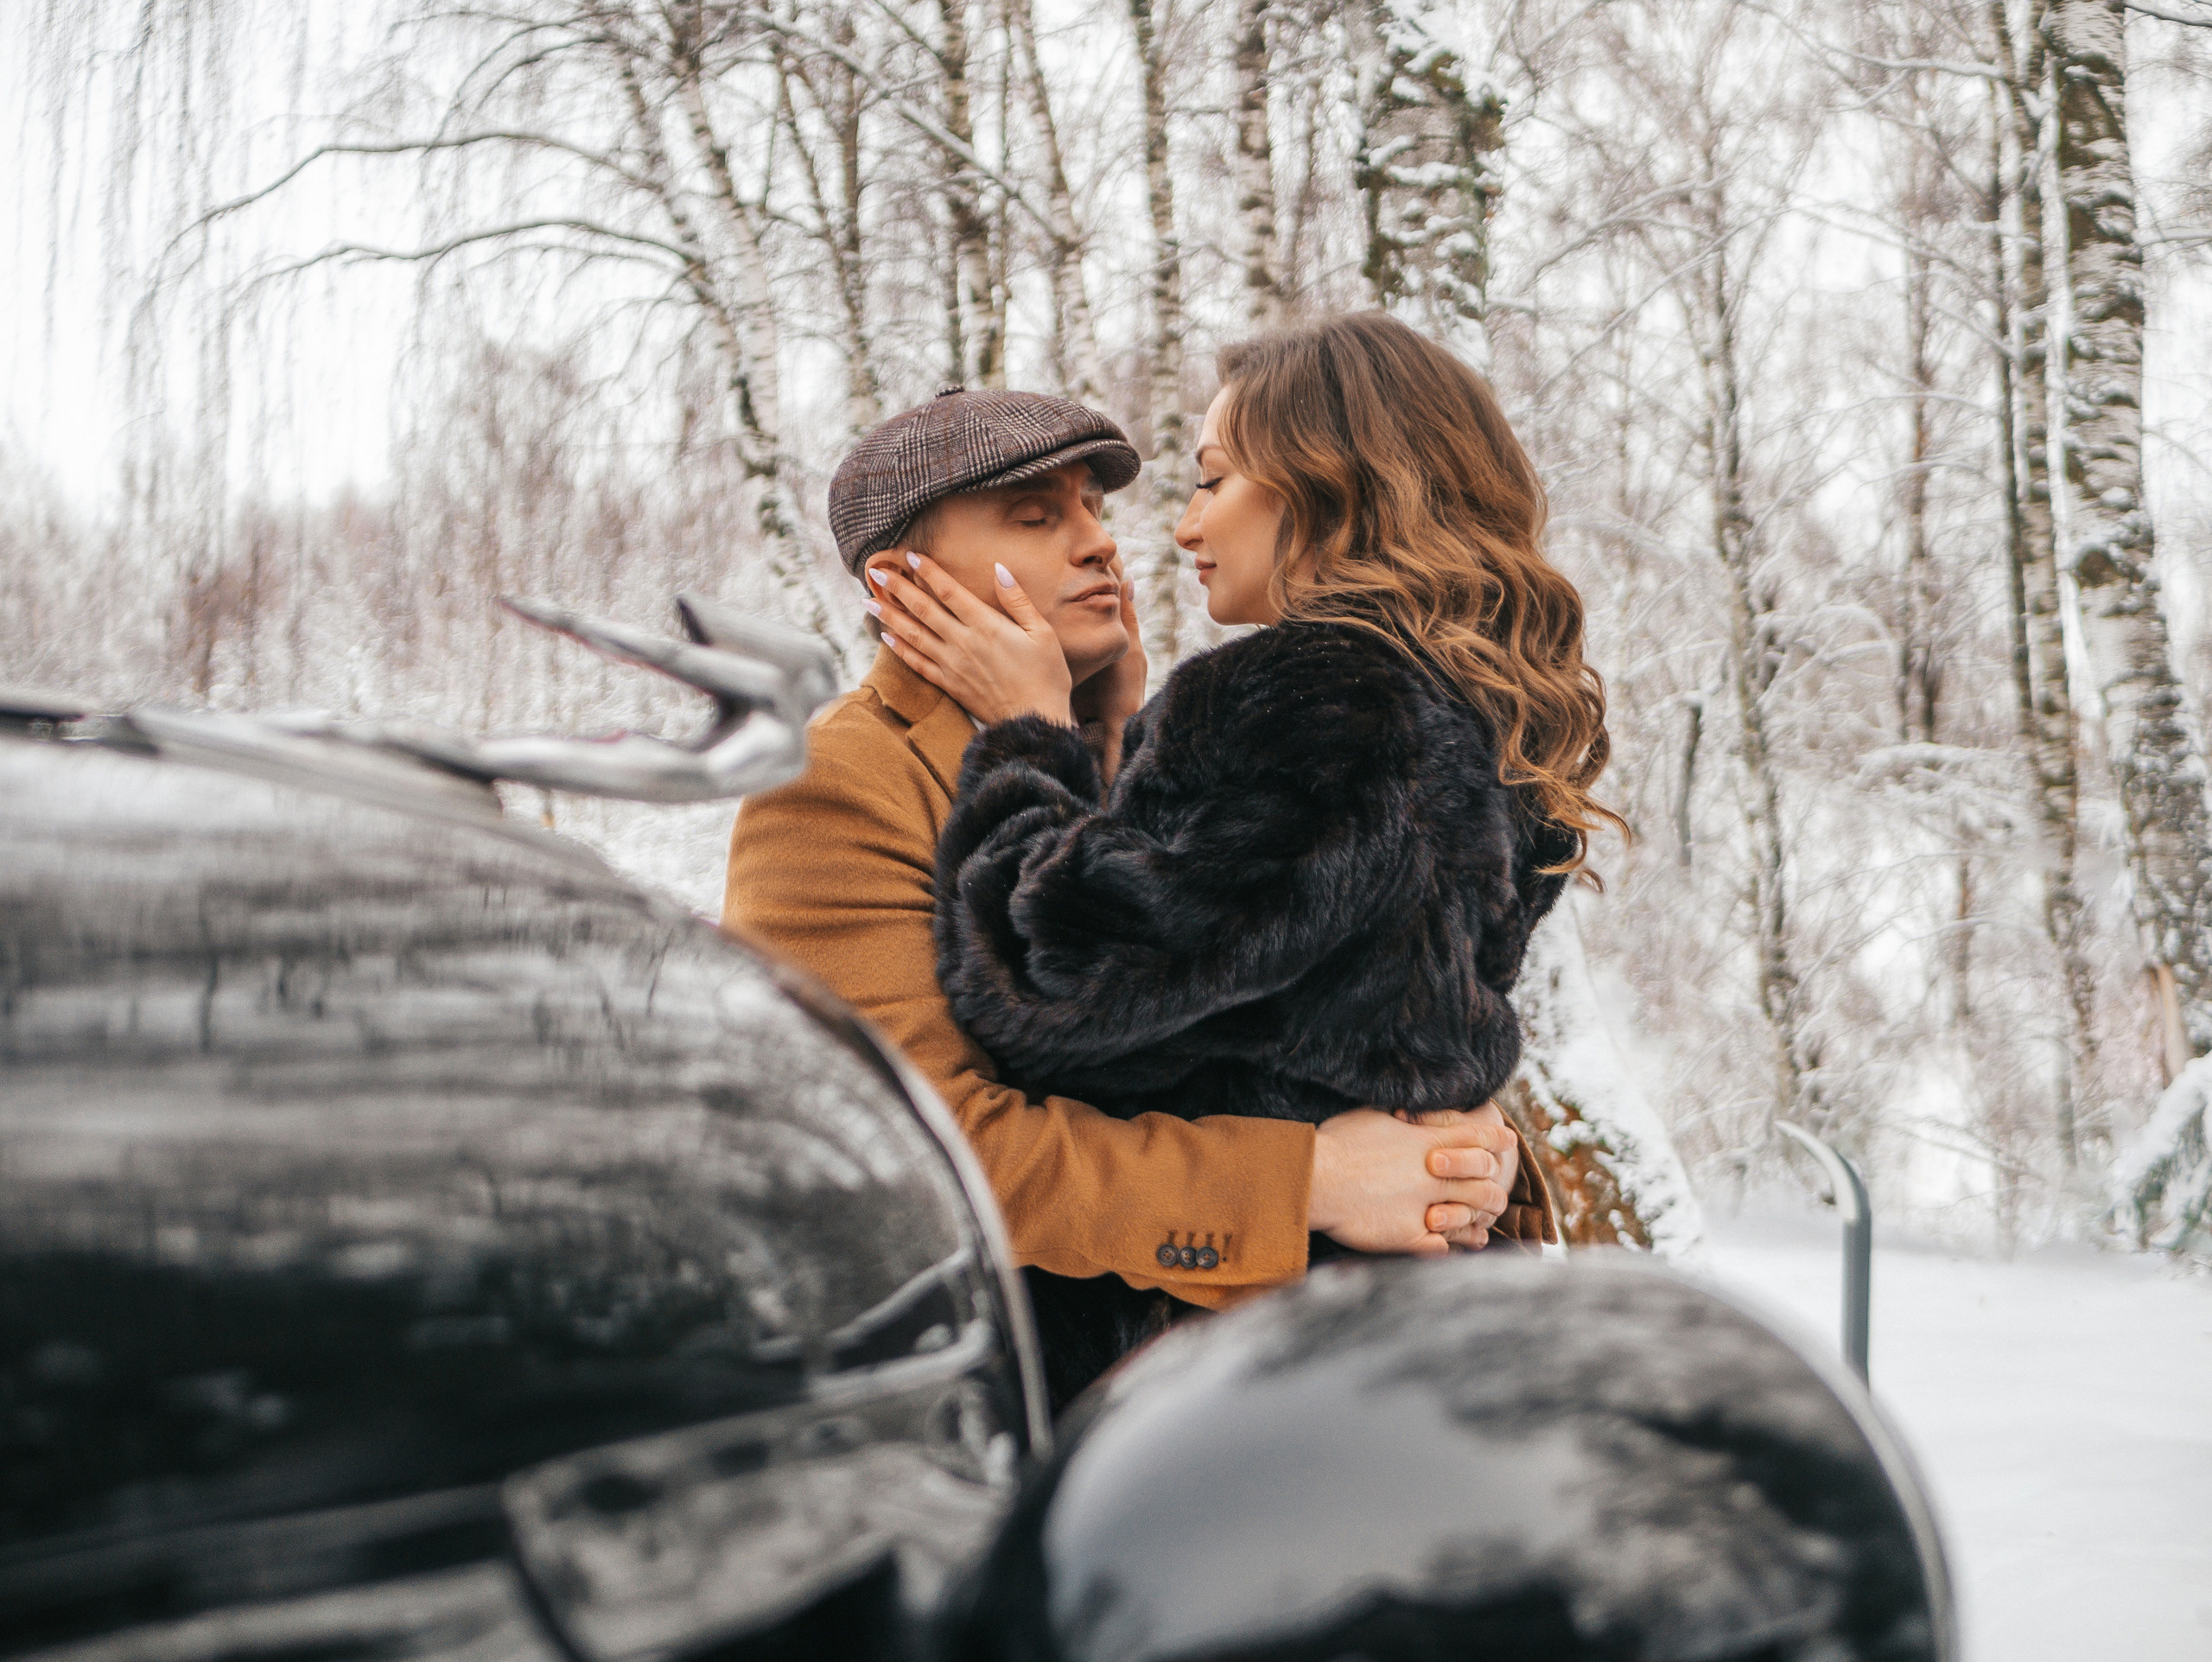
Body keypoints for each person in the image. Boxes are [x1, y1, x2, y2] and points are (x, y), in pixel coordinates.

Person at [724, 381, 1548, 1410]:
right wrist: (1307, 1185)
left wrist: (1457, 1160)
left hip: (1296, 1381)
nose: (1099, 543)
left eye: (1094, 509)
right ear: (904, 581)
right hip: (1017, 1414)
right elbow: (910, 1149)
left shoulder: (1171, 744)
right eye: (1038, 517)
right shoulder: (835, 781)